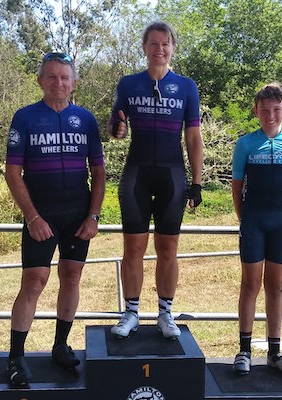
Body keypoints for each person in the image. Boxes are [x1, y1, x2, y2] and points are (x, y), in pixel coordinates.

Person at [4, 52, 106, 387]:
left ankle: (61, 345)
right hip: (41, 213)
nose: (58, 82)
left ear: (74, 83)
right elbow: (12, 172)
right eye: (51, 76)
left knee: (71, 277)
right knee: (34, 281)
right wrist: (32, 217)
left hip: (77, 212)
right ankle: (15, 356)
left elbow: (99, 172)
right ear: (40, 81)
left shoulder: (85, 119)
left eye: (64, 77)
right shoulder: (25, 117)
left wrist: (93, 215)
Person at [107, 21, 204, 340]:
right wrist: (117, 128)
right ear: (144, 47)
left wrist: (197, 182)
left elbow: (193, 137)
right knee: (133, 248)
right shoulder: (128, 84)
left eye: (165, 44)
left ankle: (165, 313)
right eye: (153, 43)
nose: (159, 49)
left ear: (173, 48)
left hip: (171, 177)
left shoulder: (187, 86)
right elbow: (116, 127)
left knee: (168, 248)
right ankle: (131, 313)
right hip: (137, 175)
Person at [231, 82, 282, 375]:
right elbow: (237, 187)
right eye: (264, 110)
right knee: (250, 285)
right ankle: (244, 350)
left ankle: (275, 352)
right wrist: (245, 218)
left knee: (275, 286)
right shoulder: (245, 144)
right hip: (253, 221)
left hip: (280, 223)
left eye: (276, 110)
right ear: (256, 111)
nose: (270, 116)